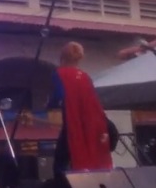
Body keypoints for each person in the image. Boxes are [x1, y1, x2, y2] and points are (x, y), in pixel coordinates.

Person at [48, 42, 114, 175]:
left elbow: (59, 96)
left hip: (72, 121)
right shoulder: (85, 76)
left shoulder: (59, 74)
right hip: (91, 122)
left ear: (62, 57)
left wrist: (50, 104)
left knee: (61, 163)